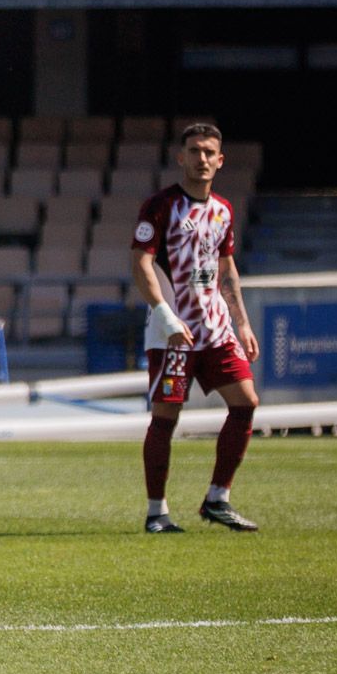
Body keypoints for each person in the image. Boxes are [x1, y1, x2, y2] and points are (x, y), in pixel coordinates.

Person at [131, 123, 260, 534]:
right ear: (181, 158)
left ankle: (217, 499)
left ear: (220, 161)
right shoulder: (161, 206)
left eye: (209, 152)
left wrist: (242, 324)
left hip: (216, 329)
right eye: (194, 151)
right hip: (174, 334)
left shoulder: (223, 209)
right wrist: (167, 317)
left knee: (246, 403)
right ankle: (157, 512)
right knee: (166, 417)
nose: (202, 159)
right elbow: (140, 262)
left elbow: (227, 270)